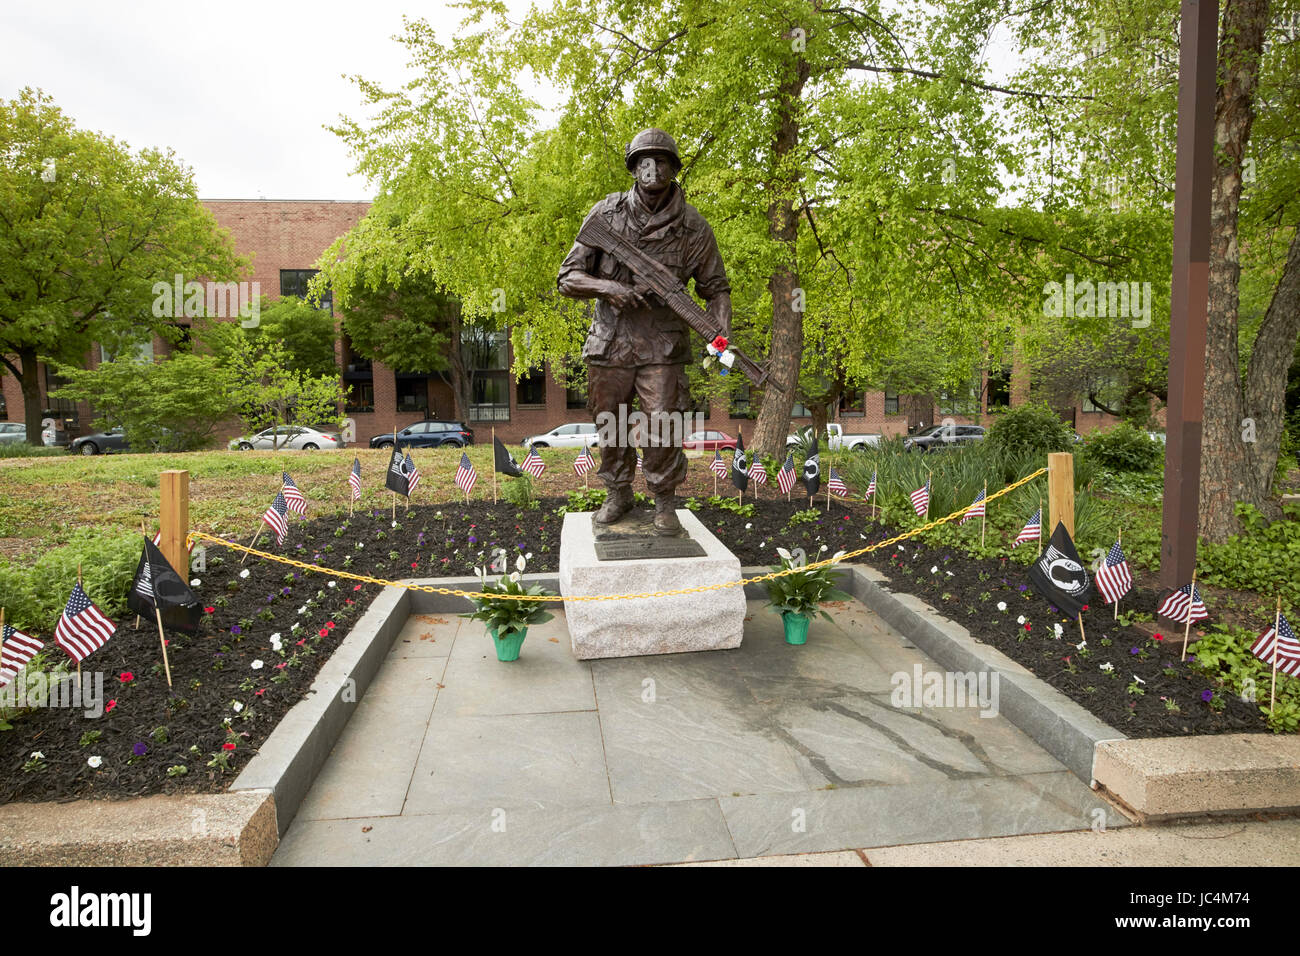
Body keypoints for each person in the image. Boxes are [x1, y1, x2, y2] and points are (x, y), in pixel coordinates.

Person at [557, 128, 732, 534]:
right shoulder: (606, 214)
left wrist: (720, 337)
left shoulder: (694, 227)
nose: (653, 169)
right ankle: (618, 492)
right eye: (644, 161)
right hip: (610, 341)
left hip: (662, 346)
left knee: (663, 424)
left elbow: (716, 289)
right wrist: (609, 288)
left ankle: (664, 500)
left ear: (673, 167)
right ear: (634, 168)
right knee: (609, 421)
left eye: (661, 160)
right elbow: (568, 278)